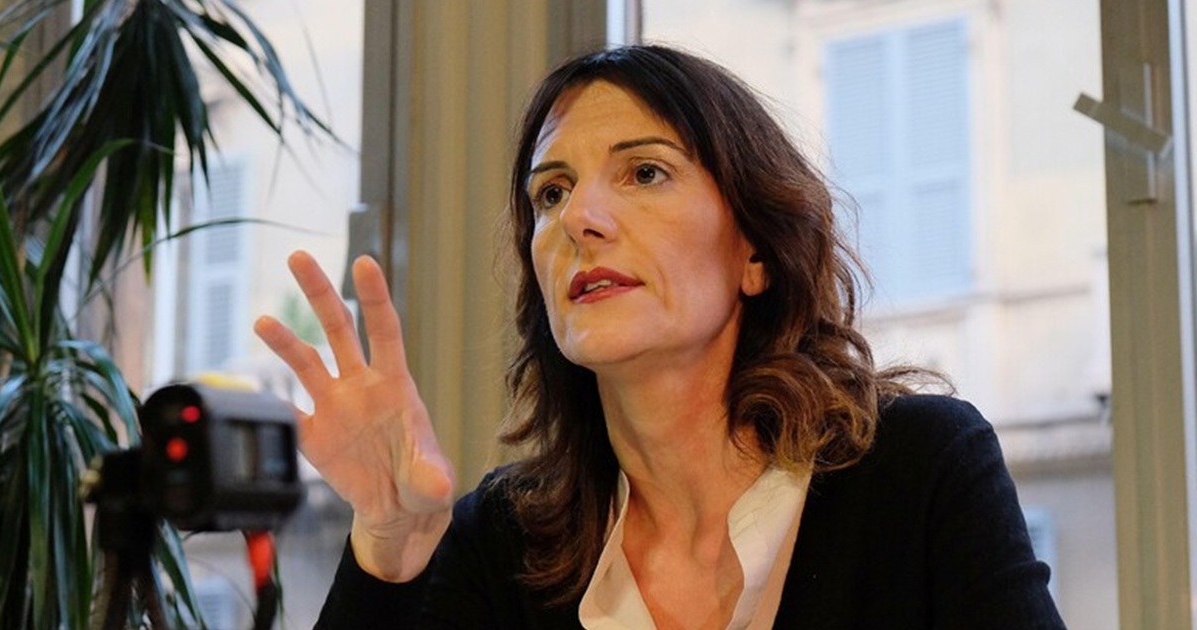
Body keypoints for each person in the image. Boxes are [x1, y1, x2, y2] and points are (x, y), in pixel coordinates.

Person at [254, 45, 1066, 629]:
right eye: (551, 193)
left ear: (754, 251)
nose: (580, 218)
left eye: (644, 172)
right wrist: (389, 551)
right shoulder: (502, 541)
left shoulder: (921, 472)